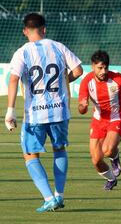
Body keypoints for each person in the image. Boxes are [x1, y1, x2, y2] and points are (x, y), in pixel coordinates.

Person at [4, 13, 83, 212]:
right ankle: (59, 195)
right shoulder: (58, 46)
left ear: (25, 31)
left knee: (30, 155)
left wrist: (10, 112)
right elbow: (79, 70)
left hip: (35, 114)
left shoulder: (22, 52)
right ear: (44, 29)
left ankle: (48, 198)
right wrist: (62, 84)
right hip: (59, 111)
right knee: (60, 150)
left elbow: (13, 79)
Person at [78, 50, 121, 191]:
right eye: (100, 68)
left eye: (105, 67)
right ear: (93, 66)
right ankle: (111, 179)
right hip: (99, 119)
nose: (103, 71)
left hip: (117, 116)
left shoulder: (117, 79)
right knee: (96, 160)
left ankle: (114, 156)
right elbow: (81, 108)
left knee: (108, 149)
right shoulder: (87, 82)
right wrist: (83, 106)